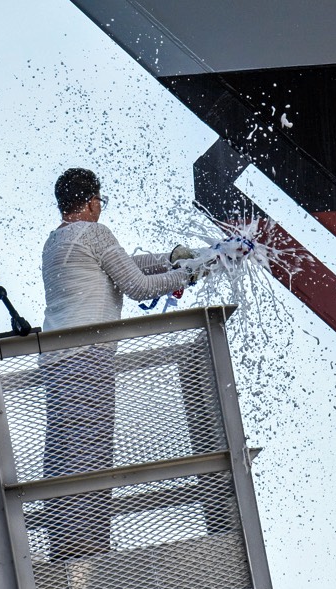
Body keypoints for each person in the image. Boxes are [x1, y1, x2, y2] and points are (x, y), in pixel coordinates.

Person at [39, 168, 200, 561]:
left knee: (63, 452)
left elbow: (124, 264)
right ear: (93, 201)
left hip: (57, 360)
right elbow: (137, 285)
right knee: (92, 455)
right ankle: (88, 550)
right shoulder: (95, 232)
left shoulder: (56, 240)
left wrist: (169, 259)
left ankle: (64, 545)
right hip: (88, 359)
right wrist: (188, 272)